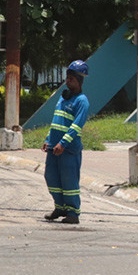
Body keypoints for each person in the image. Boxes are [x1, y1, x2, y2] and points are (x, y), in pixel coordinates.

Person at [42, 59, 90, 225]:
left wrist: (63, 143)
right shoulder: (63, 98)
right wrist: (48, 139)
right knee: (52, 178)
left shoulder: (81, 101)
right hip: (53, 148)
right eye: (67, 78)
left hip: (68, 149)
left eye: (72, 79)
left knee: (69, 181)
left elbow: (76, 126)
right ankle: (60, 207)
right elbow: (57, 121)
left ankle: (73, 213)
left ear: (79, 81)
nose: (68, 81)